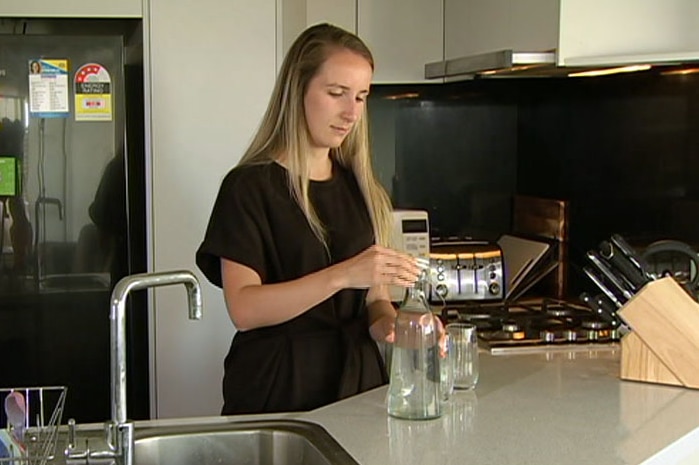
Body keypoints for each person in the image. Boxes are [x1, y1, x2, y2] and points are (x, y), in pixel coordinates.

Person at [196, 23, 420, 415]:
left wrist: (397, 328)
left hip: (358, 388)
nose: (351, 113)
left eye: (361, 97)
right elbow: (244, 309)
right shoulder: (248, 188)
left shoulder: (362, 187)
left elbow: (376, 301)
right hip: (278, 389)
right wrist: (342, 275)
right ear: (297, 90)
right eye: (336, 94)